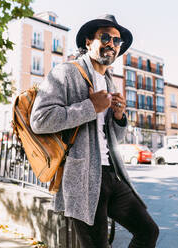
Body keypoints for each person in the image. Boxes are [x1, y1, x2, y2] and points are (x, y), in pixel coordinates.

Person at [30, 14, 159, 248]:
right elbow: (40, 120)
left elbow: (113, 138)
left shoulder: (109, 82)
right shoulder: (66, 73)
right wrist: (90, 107)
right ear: (89, 42)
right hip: (82, 176)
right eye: (106, 37)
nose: (112, 44)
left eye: (117, 41)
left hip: (111, 174)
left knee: (148, 231)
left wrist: (119, 118)